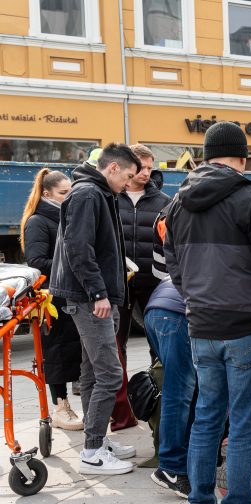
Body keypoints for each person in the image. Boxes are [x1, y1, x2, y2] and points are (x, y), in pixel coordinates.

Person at [164, 121, 251, 504]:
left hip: (202, 325)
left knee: (206, 418)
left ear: (206, 155)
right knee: (243, 424)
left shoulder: (178, 204)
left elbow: (174, 268)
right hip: (247, 325)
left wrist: (196, 303)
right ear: (242, 157)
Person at [50, 143, 142, 475]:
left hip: (94, 296)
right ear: (113, 168)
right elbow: (79, 247)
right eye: (128, 176)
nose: (129, 184)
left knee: (92, 373)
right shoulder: (89, 194)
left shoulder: (96, 193)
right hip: (91, 299)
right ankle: (92, 451)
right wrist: (98, 292)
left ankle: (97, 440)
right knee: (109, 373)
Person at [111, 143, 171, 431]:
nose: (147, 172)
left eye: (150, 167)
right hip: (119, 283)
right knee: (115, 348)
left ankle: (160, 408)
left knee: (159, 345)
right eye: (141, 167)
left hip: (155, 284)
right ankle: (122, 414)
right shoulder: (111, 198)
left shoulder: (164, 201)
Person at [21, 168, 82, 430]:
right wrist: (70, 264)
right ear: (47, 193)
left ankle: (66, 405)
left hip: (68, 293)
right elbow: (35, 261)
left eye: (70, 191)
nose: (68, 196)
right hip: (51, 300)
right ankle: (60, 407)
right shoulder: (38, 220)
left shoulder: (65, 216)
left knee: (71, 350)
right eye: (63, 193)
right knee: (56, 352)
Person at [143, 271, 196, 498]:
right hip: (177, 315)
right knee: (179, 393)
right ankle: (172, 468)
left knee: (184, 390)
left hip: (155, 310)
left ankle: (183, 461)